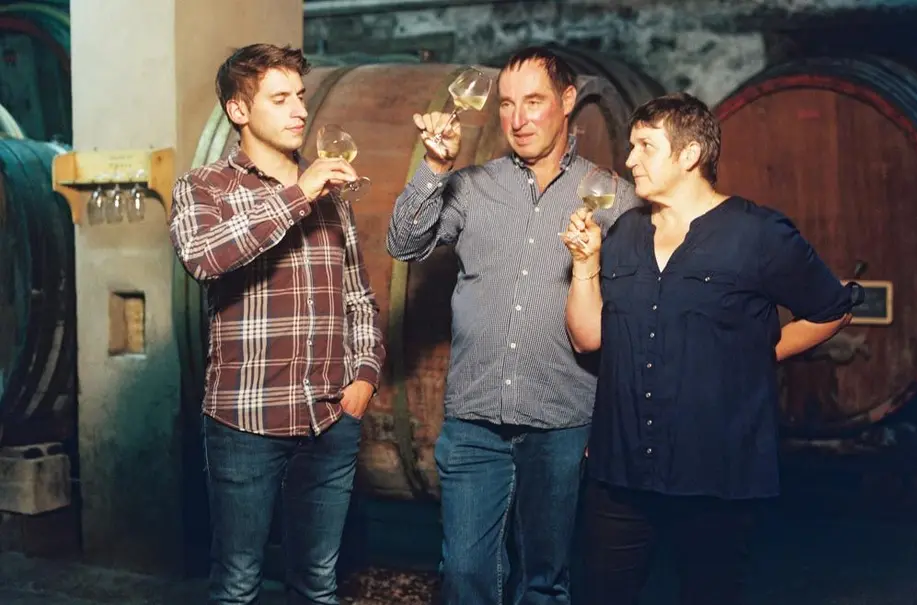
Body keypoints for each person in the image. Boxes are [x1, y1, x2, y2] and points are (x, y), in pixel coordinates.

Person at [561, 92, 862, 605]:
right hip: (621, 468)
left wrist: (759, 353)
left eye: (645, 146)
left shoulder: (758, 234)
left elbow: (831, 310)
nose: (630, 159)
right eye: (631, 145)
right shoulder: (625, 232)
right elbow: (587, 337)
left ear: (690, 154)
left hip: (715, 471)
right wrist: (585, 265)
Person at [386, 47, 640, 605]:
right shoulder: (472, 186)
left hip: (561, 421)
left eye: (533, 102)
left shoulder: (612, 197)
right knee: (464, 575)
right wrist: (433, 168)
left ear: (567, 101)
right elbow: (403, 243)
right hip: (475, 420)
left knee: (545, 580)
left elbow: (631, 321)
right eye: (506, 104)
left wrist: (612, 423)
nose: (518, 119)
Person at [169, 43, 385, 605]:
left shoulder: (331, 197)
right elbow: (203, 256)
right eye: (281, 98)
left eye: (301, 96)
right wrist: (299, 194)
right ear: (239, 110)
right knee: (238, 583)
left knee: (317, 583)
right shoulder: (204, 188)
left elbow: (358, 297)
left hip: (329, 420)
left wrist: (363, 379)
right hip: (244, 420)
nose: (300, 110)